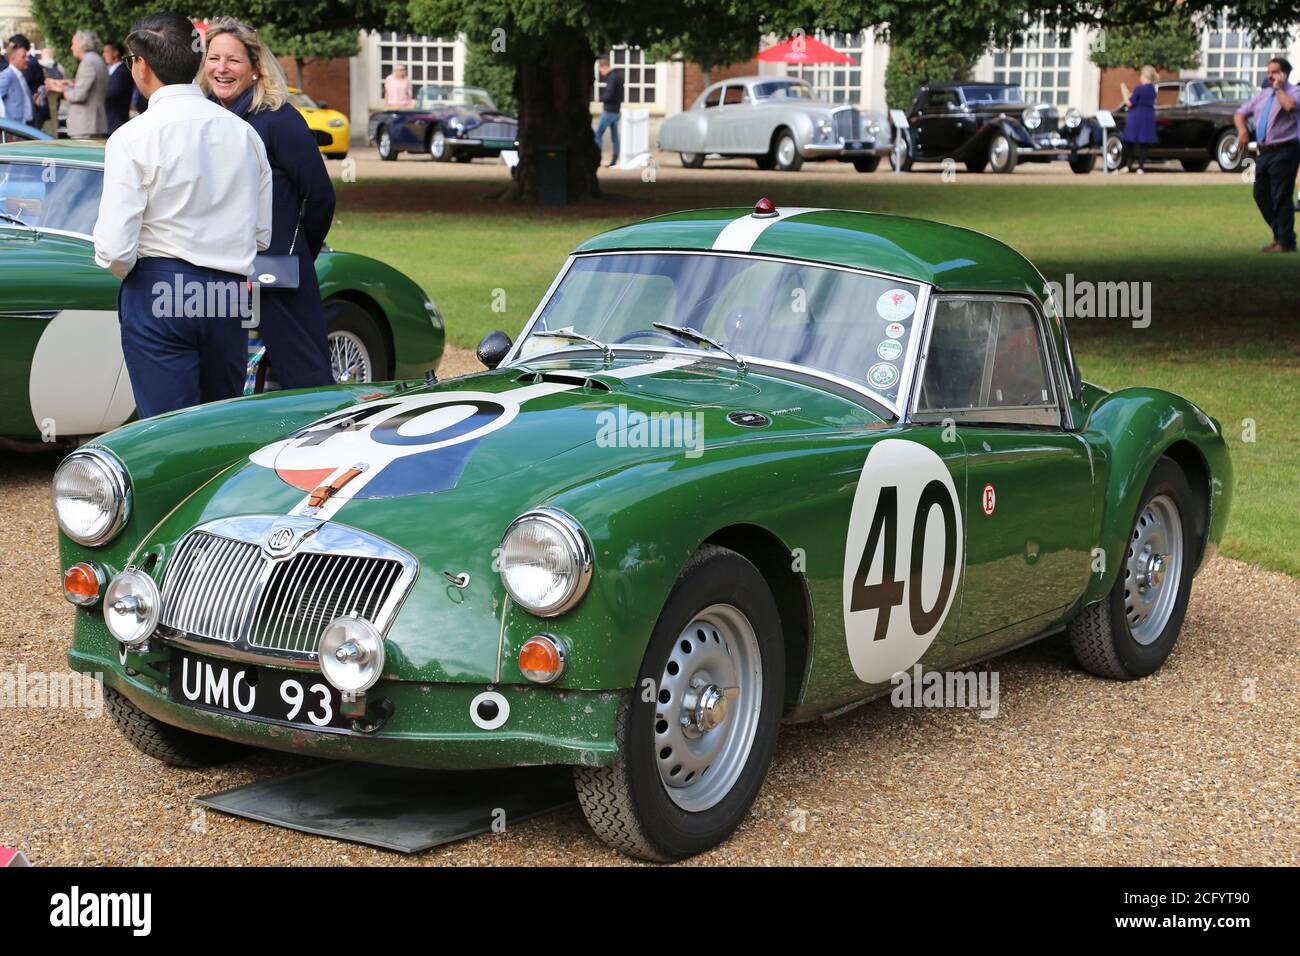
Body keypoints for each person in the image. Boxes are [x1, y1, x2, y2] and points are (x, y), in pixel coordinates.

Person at [92, 11, 272, 417]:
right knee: (220, 422)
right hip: (226, 291)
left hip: (160, 283)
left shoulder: (132, 137)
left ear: (141, 65)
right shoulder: (243, 133)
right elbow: (262, 233)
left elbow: (115, 249)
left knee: (167, 429)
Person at [200, 18, 337, 389]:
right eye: (214, 58)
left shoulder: (279, 119)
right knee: (228, 384)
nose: (221, 69)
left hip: (275, 275)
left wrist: (296, 250)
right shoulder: (204, 118)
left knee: (304, 381)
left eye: (233, 60)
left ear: (255, 67)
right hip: (219, 277)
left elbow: (320, 196)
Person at [1236, 57, 1299, 252]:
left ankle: (1285, 241)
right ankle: (1280, 235)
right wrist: (1242, 130)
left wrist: (1279, 89)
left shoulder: (1294, 92)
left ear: (1284, 74)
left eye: (1274, 72)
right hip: (1264, 151)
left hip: (1285, 150)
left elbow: (1289, 106)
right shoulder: (1263, 94)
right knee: (1260, 194)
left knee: (1281, 196)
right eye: (1268, 72)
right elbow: (1240, 113)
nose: (1270, 76)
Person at [45, 30, 107, 138]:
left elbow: (78, 96)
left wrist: (60, 88)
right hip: (92, 123)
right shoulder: (96, 59)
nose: (71, 47)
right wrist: (70, 84)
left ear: (82, 44)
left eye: (73, 43)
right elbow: (90, 87)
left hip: (85, 125)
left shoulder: (88, 62)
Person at [1117, 65, 1158, 174]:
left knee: (1128, 142)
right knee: (1144, 144)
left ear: (1144, 76)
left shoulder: (1139, 89)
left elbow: (1129, 103)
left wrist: (1123, 92)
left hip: (1136, 117)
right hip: (1148, 117)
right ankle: (1140, 167)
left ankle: (1125, 165)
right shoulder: (1153, 90)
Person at [7, 35, 45, 129]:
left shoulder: (28, 63)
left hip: (31, 113)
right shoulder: (30, 61)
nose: (8, 49)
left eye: (11, 46)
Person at [594, 57, 623, 167]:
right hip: (616, 111)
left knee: (598, 133)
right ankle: (615, 158)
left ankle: (596, 157)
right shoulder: (618, 76)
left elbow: (609, 94)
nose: (601, 72)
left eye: (600, 69)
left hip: (609, 111)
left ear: (605, 67)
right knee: (615, 136)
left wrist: (600, 99)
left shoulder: (611, 78)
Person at [102, 40, 135, 134]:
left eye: (106, 51)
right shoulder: (111, 70)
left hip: (116, 122)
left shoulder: (122, 72)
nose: (103, 55)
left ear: (116, 52)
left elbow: (111, 93)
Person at [0, 41, 32, 124]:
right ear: (12, 59)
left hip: (25, 124)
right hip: (14, 126)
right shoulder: (7, 76)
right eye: (23, 57)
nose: (27, 59)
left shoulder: (20, 74)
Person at [38, 48, 62, 136]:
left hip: (41, 102)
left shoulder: (37, 66)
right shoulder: (58, 66)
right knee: (53, 127)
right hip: (54, 102)